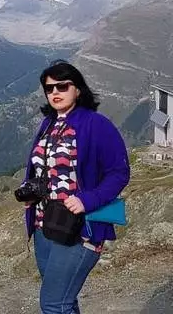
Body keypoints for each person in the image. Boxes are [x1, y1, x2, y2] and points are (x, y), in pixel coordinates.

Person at [20, 60, 130, 314]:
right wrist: (32, 191)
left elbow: (119, 172)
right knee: (64, 300)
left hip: (80, 227)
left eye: (62, 86)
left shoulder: (96, 124)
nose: (55, 93)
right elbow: (46, 170)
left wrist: (87, 199)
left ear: (78, 89)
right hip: (43, 225)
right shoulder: (47, 124)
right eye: (49, 89)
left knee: (53, 303)